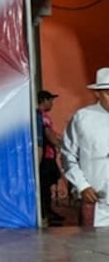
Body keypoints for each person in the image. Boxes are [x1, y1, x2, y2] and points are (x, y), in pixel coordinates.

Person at [62, 69, 109, 227]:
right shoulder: (83, 118)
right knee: (95, 248)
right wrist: (82, 186)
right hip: (97, 202)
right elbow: (68, 156)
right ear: (97, 93)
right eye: (108, 93)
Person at [37, 89, 64, 226]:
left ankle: (47, 211)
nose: (52, 103)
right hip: (46, 156)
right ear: (45, 100)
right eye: (51, 100)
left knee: (46, 186)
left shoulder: (40, 115)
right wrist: (60, 144)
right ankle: (45, 212)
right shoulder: (43, 116)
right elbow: (48, 134)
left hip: (47, 155)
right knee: (45, 185)